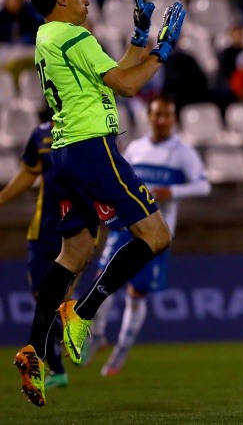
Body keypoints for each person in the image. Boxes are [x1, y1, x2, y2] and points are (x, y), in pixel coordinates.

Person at [13, 0, 186, 407]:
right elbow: (128, 85)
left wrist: (141, 35)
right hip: (93, 150)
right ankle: (82, 313)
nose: (87, 1)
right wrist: (163, 49)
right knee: (156, 235)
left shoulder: (48, 38)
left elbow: (111, 74)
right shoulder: (74, 36)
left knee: (75, 252)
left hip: (65, 156)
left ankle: (34, 347)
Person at [83, 95, 211, 376]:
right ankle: (98, 337)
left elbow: (204, 186)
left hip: (155, 234)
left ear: (173, 118)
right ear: (149, 117)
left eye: (166, 115)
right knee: (101, 279)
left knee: (136, 293)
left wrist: (172, 192)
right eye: (156, 114)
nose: (161, 120)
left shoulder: (183, 152)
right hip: (126, 227)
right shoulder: (136, 148)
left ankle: (121, 352)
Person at [0, 121, 71, 390]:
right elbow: (29, 173)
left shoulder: (87, 128)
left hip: (73, 229)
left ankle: (73, 338)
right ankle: (60, 366)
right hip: (42, 232)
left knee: (54, 300)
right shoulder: (41, 134)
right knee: (42, 299)